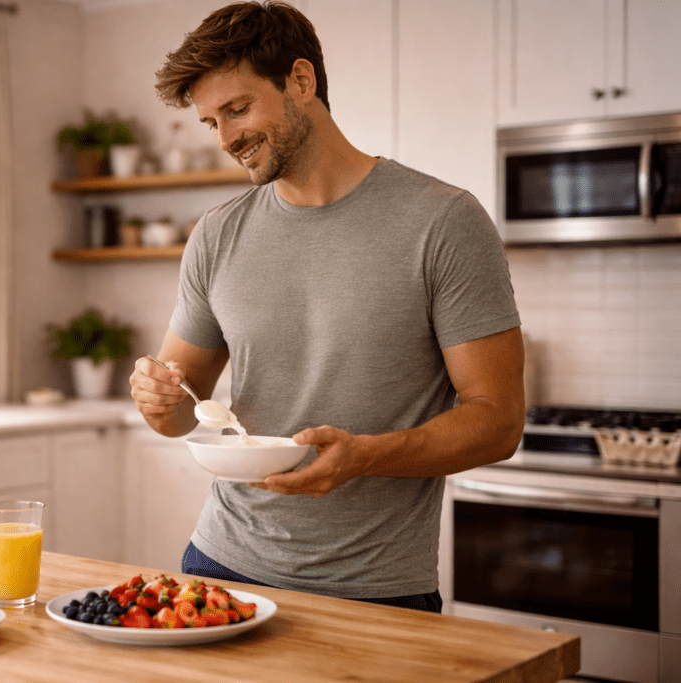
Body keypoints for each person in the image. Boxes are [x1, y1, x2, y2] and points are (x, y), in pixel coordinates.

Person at [128, 1, 525, 614]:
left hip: (377, 590)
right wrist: (158, 400)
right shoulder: (216, 235)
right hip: (221, 567)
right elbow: (184, 412)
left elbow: (498, 420)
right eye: (212, 122)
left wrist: (367, 457)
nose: (228, 138)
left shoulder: (443, 222)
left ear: (301, 82)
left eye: (238, 108)